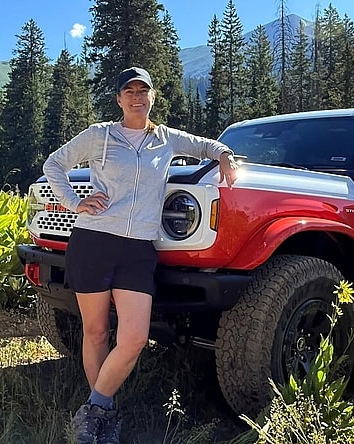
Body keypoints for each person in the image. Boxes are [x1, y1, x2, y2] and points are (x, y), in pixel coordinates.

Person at [42, 66, 238, 444]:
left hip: (138, 250)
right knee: (97, 331)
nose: (136, 97)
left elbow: (207, 146)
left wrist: (225, 155)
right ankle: (105, 416)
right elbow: (54, 164)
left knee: (133, 337)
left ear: (152, 97)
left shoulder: (165, 138)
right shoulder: (99, 135)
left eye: (142, 91)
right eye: (128, 91)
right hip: (94, 240)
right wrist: (74, 202)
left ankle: (92, 408)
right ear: (119, 99)